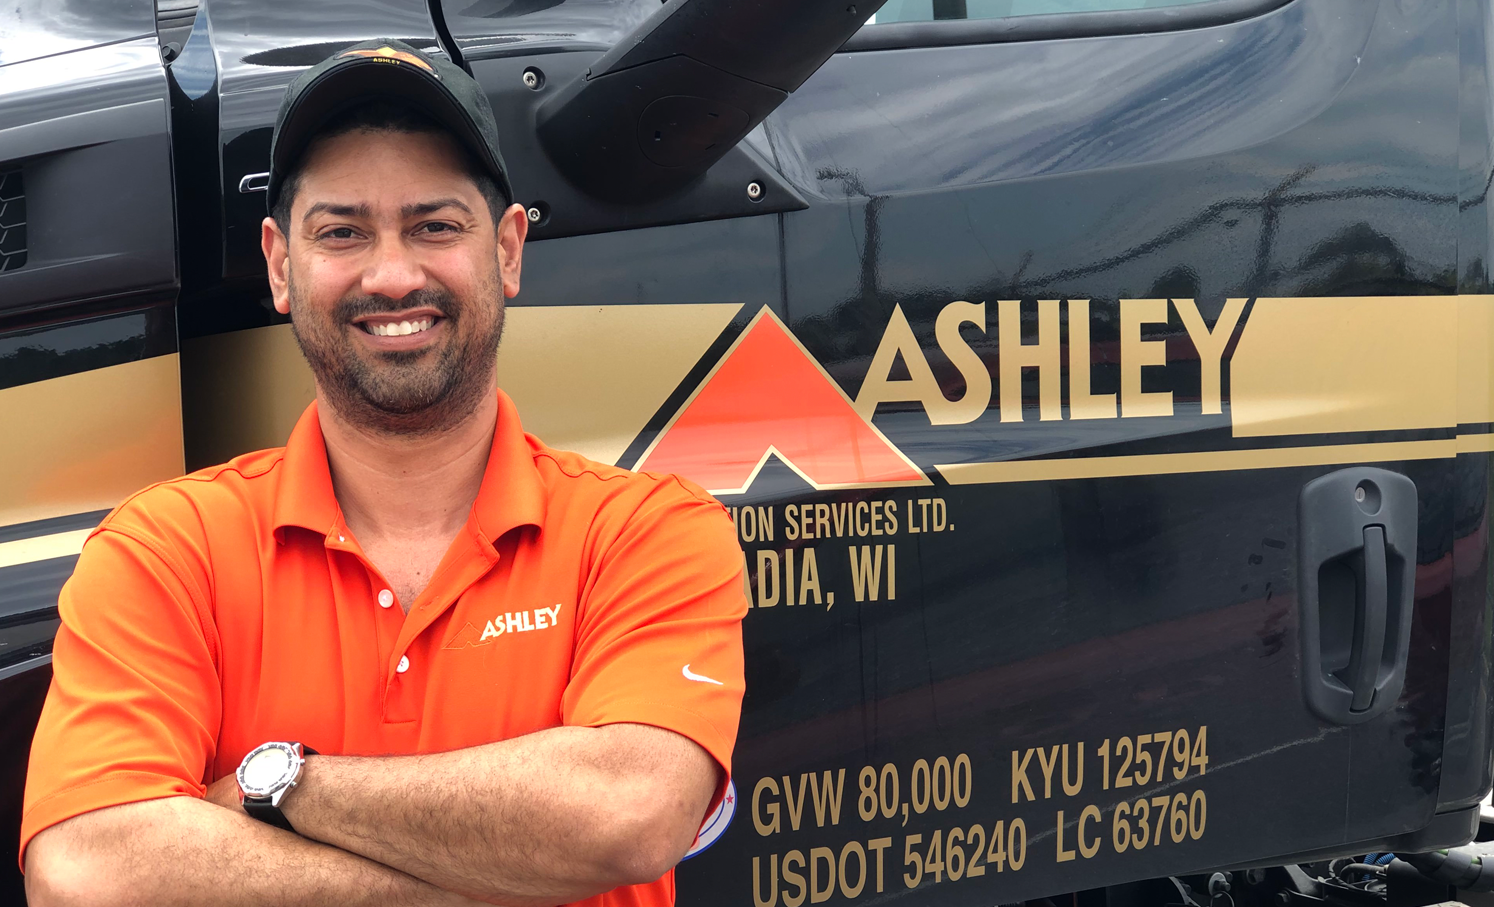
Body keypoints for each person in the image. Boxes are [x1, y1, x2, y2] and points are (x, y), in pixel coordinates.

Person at [20, 39, 746, 907]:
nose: (393, 274)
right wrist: (504, 868)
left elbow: (631, 812)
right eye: (342, 232)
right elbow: (84, 871)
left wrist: (278, 787)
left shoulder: (649, 531)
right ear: (280, 265)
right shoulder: (166, 548)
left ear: (509, 252)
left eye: (435, 225)